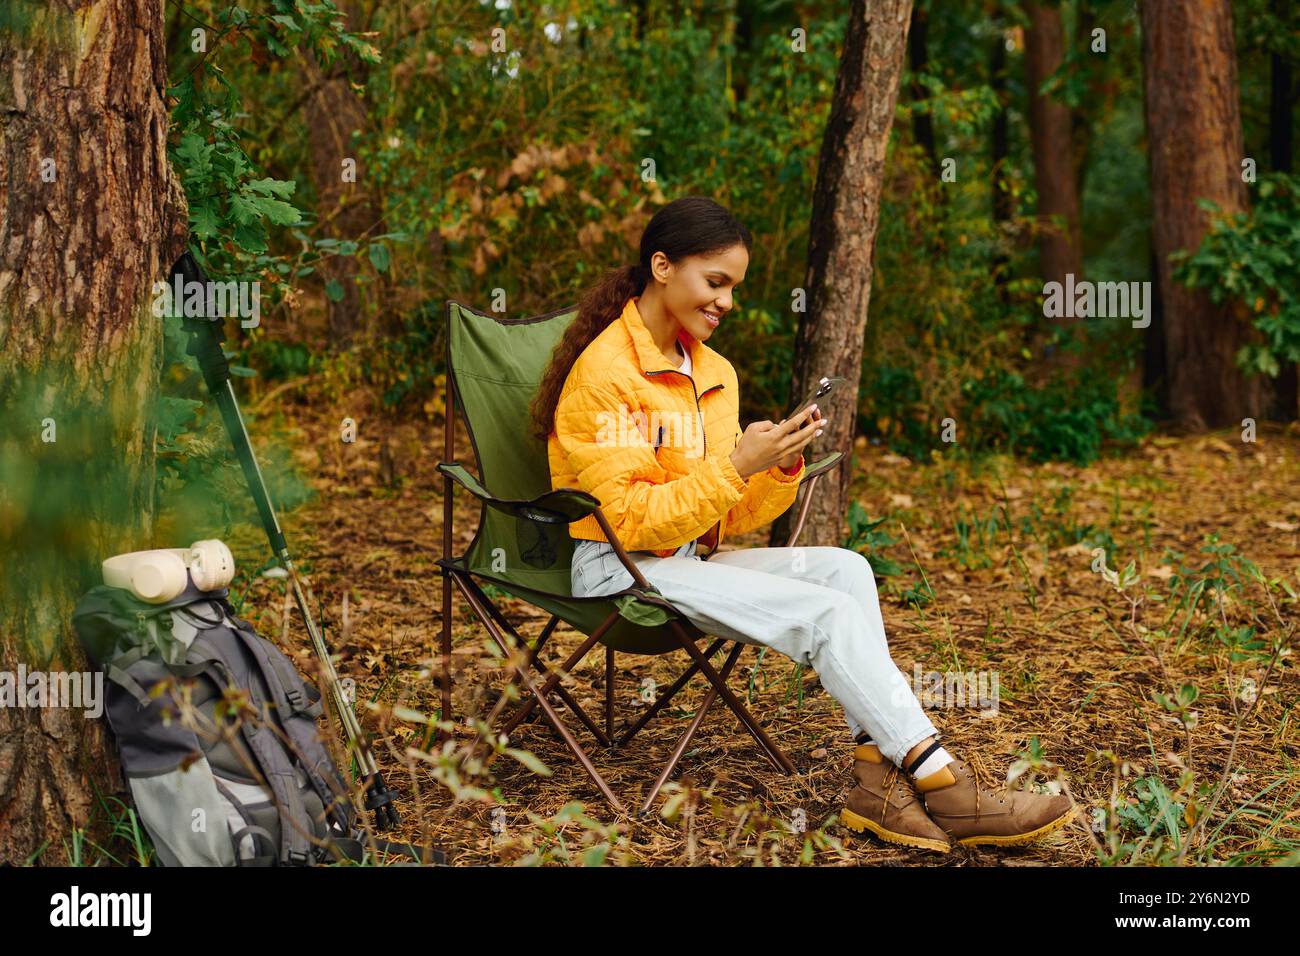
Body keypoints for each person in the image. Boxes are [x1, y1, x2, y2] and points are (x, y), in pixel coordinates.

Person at [528, 195, 1076, 853]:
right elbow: (625, 520)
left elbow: (724, 517)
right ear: (663, 265)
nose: (726, 301)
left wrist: (774, 468)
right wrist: (734, 465)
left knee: (846, 570)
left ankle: (874, 779)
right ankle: (944, 782)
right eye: (716, 282)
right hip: (618, 568)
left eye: (734, 287)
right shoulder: (606, 375)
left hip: (683, 561)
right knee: (828, 618)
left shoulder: (712, 372)